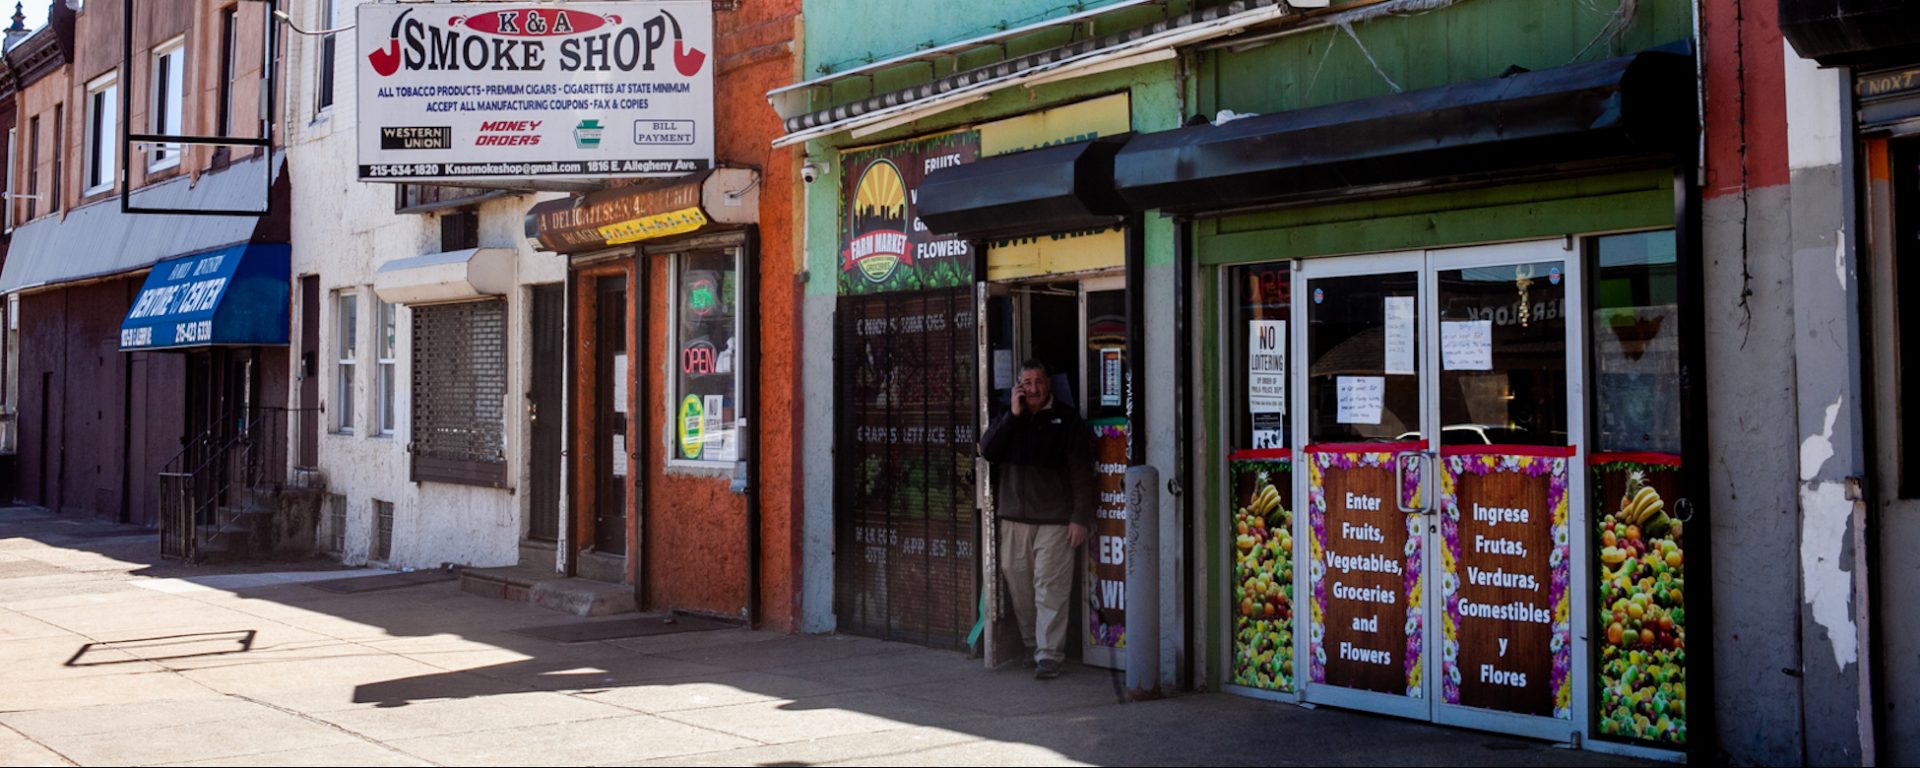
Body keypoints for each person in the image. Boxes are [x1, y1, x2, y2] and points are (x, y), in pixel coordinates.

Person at [979, 359, 1094, 679]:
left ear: (1049, 385)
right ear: (1017, 387)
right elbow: (988, 450)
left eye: (1038, 382)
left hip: (1055, 521)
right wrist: (1013, 417)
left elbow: (1082, 473)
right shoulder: (1009, 417)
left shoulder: (1067, 421)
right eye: (1026, 382)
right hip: (1014, 518)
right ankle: (1032, 644)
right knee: (1018, 584)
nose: (1032, 388)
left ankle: (1049, 654)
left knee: (1049, 587)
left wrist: (1079, 518)